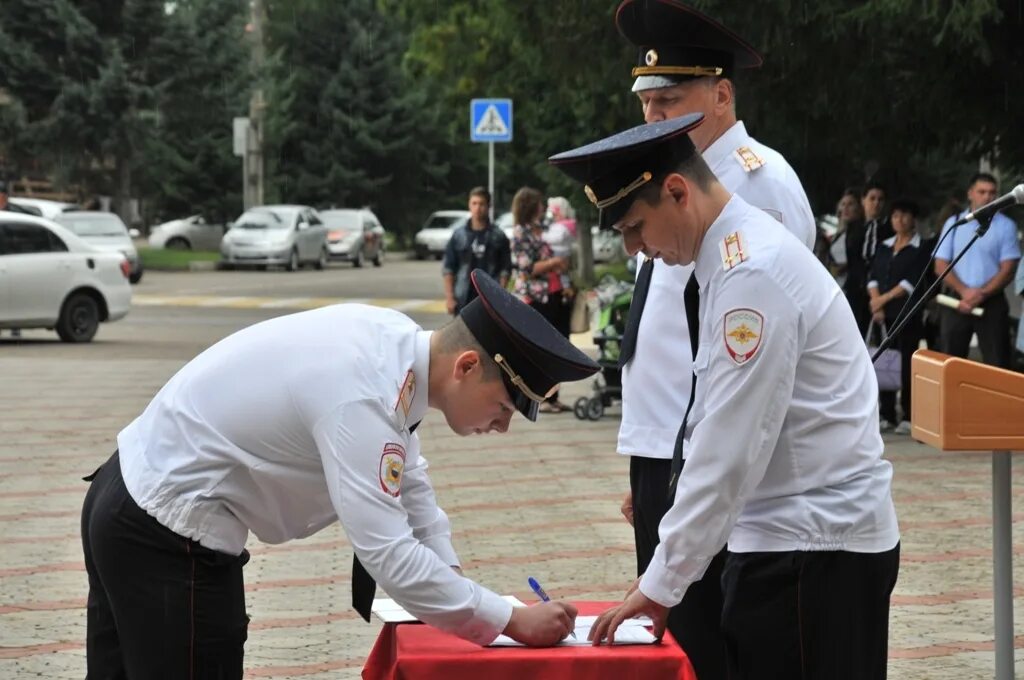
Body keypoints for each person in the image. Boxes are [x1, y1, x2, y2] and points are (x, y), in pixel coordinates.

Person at [80, 269, 599, 677]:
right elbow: (388, 553)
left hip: (128, 499)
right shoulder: (365, 395)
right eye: (505, 408)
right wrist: (509, 620)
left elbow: (411, 481)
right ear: (466, 366)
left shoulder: (398, 349)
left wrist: (453, 581)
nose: (502, 427)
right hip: (166, 540)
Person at [550, 114, 900, 678]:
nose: (637, 249)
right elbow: (712, 417)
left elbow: (729, 447)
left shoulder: (751, 274)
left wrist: (662, 582)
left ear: (677, 191)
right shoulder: (728, 259)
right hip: (789, 541)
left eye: (636, 226)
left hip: (811, 550)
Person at [611, 2, 817, 675]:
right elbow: (668, 334)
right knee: (681, 646)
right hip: (668, 452)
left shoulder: (759, 185)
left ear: (721, 96)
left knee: (711, 646)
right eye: (648, 104)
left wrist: (689, 473)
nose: (654, 119)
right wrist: (647, 466)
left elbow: (763, 352)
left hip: (713, 459)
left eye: (671, 101)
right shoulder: (671, 180)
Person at [935, 172, 1021, 368]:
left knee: (997, 364)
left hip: (991, 302)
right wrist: (965, 291)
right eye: (982, 192)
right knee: (949, 363)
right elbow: (940, 265)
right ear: (970, 194)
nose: (987, 197)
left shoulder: (1006, 226)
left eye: (992, 192)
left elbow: (1008, 269)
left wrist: (981, 294)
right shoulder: (955, 223)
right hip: (956, 300)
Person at [867, 198, 929, 434]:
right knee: (885, 361)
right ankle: (887, 412)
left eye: (904, 215)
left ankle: (908, 414)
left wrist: (882, 299)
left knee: (906, 363)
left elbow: (910, 282)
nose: (899, 220)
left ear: (913, 219)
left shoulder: (921, 247)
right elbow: (872, 276)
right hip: (882, 314)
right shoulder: (883, 246)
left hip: (907, 312)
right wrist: (876, 302)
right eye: (895, 216)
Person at [510, 187, 572, 413]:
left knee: (558, 346)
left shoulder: (545, 229)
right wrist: (555, 263)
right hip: (534, 296)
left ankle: (553, 396)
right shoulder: (520, 233)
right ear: (530, 206)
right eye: (539, 203)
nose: (543, 208)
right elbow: (526, 267)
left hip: (555, 294)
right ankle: (537, 398)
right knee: (538, 348)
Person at [442, 187, 511, 316]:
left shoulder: (498, 236)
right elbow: (448, 269)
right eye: (474, 203)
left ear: (488, 206)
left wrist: (500, 297)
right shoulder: (458, 235)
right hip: (463, 298)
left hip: (490, 300)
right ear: (469, 204)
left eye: (481, 204)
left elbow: (505, 270)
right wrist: (450, 298)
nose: (477, 208)